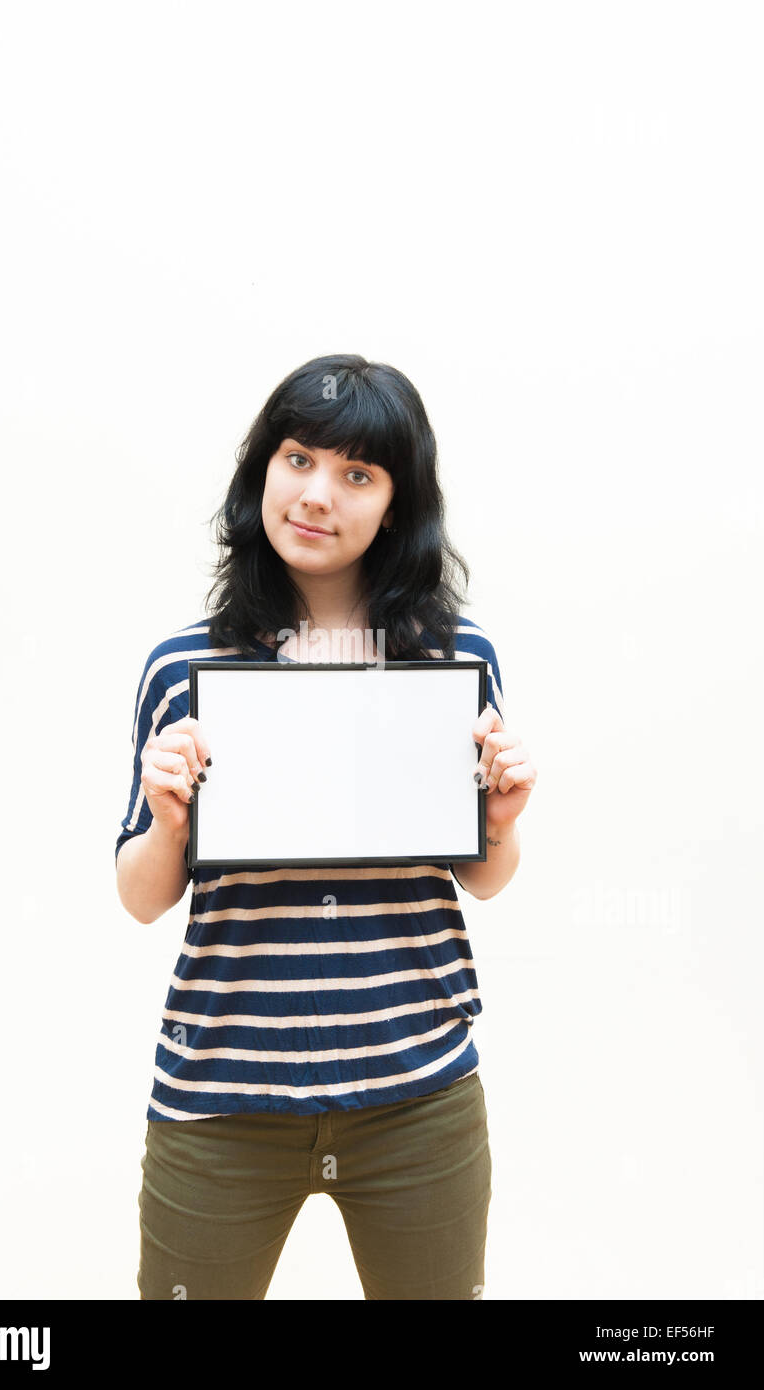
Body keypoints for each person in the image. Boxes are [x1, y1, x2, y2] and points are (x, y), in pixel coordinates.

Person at [115, 353, 537, 1300]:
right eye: (298, 458)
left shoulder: (453, 658)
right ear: (261, 470)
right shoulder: (183, 665)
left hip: (417, 1090)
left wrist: (499, 822)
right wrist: (170, 817)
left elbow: (483, 877)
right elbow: (141, 895)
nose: (317, 495)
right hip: (220, 1092)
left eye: (357, 474)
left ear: (396, 504)